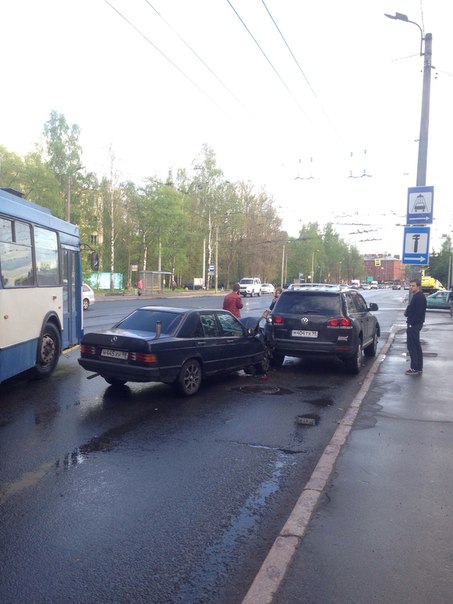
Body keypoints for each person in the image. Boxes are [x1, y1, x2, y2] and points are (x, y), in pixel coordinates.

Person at [404, 278, 427, 375]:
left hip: (414, 325)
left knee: (412, 346)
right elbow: (411, 309)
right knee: (416, 346)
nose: (411, 287)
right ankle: (418, 367)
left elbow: (418, 313)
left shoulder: (419, 297)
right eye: (410, 285)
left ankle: (414, 368)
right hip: (414, 324)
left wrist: (412, 322)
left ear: (418, 286)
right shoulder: (416, 296)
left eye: (413, 286)